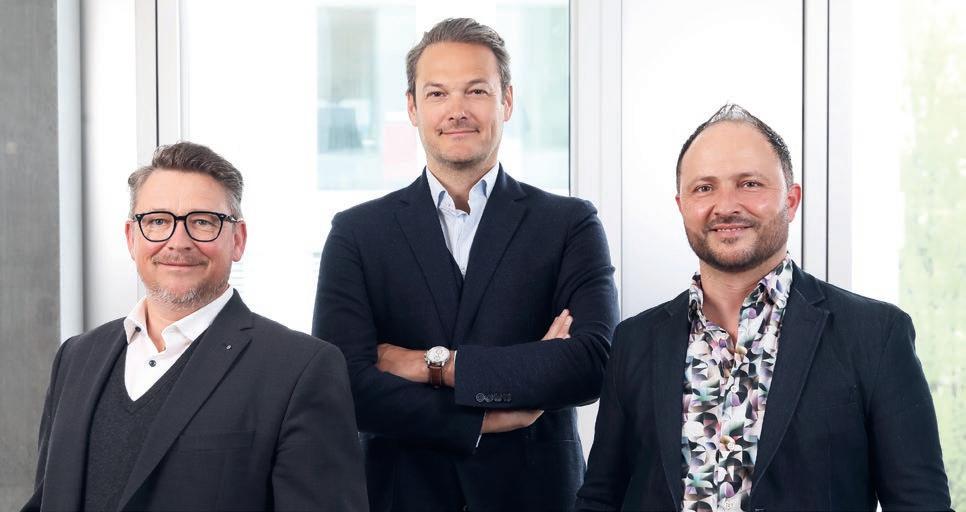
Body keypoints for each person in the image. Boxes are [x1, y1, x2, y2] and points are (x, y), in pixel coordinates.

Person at [576, 104, 951, 511]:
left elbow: (921, 505)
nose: (725, 206)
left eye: (750, 184)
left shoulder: (875, 336)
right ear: (681, 205)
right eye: (704, 188)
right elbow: (600, 499)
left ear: (792, 200)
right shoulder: (635, 341)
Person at [312, 17, 619, 512]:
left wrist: (429, 366)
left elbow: (590, 365)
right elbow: (343, 385)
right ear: (412, 108)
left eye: (476, 90)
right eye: (437, 93)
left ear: (507, 101)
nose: (457, 110)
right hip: (402, 496)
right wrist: (486, 416)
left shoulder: (569, 224)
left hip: (535, 498)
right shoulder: (357, 233)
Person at [23, 142, 368, 512]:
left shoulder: (300, 369)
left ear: (238, 240)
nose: (178, 241)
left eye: (203, 222)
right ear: (131, 238)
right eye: (157, 221)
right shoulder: (76, 358)